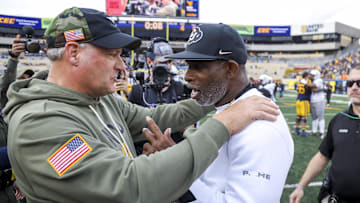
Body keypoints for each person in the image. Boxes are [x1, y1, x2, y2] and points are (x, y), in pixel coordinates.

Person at [2, 8, 280, 203]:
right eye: (112, 54)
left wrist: (212, 96)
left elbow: (156, 117)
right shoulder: (40, 125)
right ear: (74, 53)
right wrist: (223, 124)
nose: (122, 66)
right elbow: (128, 186)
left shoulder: (99, 100)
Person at [167, 23, 294, 203]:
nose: (187, 75)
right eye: (188, 66)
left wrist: (176, 171)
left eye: (198, 66)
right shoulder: (230, 107)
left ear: (231, 69)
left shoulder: (261, 128)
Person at [289, 65, 360, 203]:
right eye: (350, 83)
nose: (354, 87)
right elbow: (322, 156)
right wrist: (301, 186)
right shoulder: (338, 120)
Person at [294, 72, 313, 137]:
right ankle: (303, 131)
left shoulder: (300, 82)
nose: (310, 76)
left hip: (298, 99)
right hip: (304, 100)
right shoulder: (307, 81)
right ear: (306, 76)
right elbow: (311, 87)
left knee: (298, 115)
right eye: (309, 75)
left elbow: (296, 88)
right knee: (304, 116)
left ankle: (296, 129)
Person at [309, 69, 326, 138]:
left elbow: (313, 87)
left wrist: (304, 82)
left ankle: (322, 132)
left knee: (320, 117)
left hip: (319, 100)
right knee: (314, 117)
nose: (311, 76)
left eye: (312, 75)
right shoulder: (314, 80)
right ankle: (314, 131)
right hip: (313, 100)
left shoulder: (318, 80)